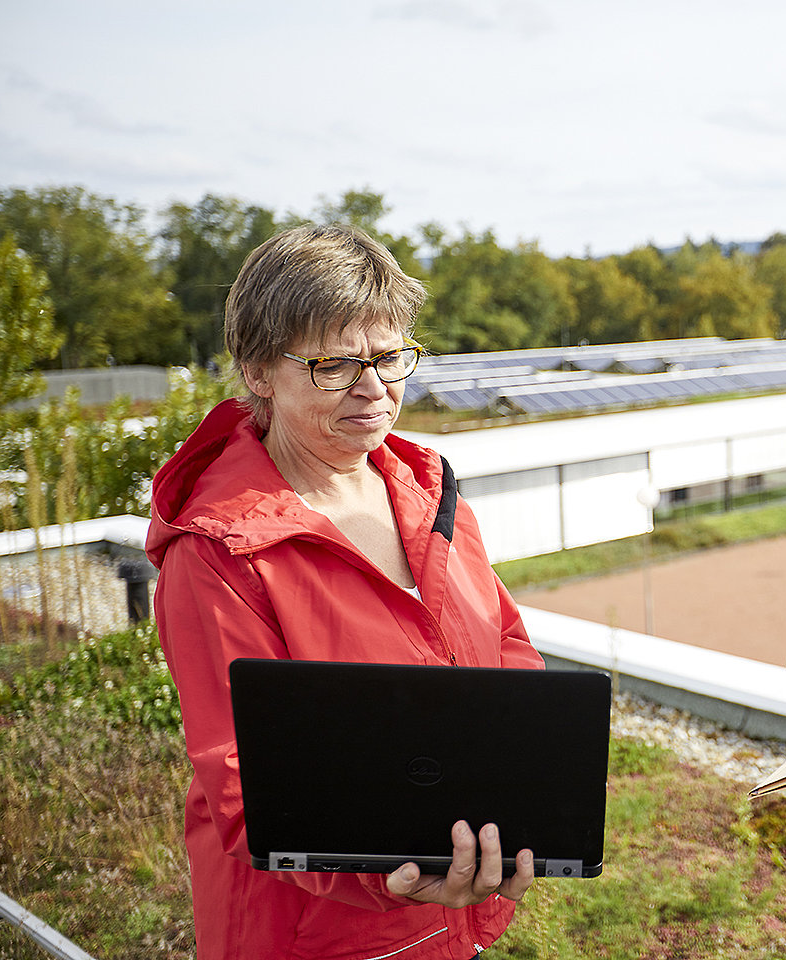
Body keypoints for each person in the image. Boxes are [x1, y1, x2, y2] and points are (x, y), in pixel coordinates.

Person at [147, 223, 543, 960]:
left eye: (390, 357)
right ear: (259, 372)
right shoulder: (219, 552)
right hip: (316, 934)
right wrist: (399, 874)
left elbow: (504, 639)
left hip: (447, 906)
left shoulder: (424, 489)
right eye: (335, 365)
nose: (374, 388)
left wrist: (520, 793)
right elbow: (246, 780)